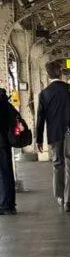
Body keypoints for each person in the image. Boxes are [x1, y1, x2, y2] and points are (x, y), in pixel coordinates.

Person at [35, 59, 70, 212]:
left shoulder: (44, 94)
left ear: (48, 75)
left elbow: (40, 118)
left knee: (57, 165)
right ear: (60, 73)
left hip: (55, 135)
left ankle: (59, 197)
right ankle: (68, 201)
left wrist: (38, 139)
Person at [0, 87, 18, 215]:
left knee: (3, 174)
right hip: (4, 141)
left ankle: (5, 205)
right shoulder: (3, 100)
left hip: (1, 142)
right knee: (7, 172)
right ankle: (9, 203)